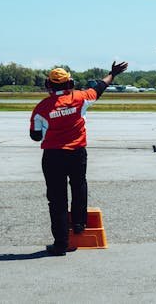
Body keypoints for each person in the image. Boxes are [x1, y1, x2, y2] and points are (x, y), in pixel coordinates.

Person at [30, 61, 128, 256]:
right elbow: (99, 87)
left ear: (48, 85)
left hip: (53, 155)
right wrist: (112, 74)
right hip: (76, 152)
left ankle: (60, 244)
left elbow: (35, 136)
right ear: (70, 83)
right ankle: (79, 224)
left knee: (57, 199)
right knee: (79, 185)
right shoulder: (80, 98)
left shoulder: (41, 108)